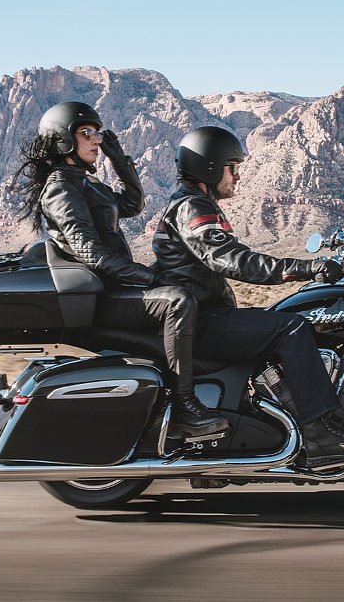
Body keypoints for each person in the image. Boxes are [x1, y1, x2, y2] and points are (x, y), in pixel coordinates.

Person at [152, 125, 344, 468]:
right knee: (291, 328)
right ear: (209, 167)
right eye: (231, 167)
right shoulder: (193, 207)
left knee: (285, 318)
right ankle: (319, 438)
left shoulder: (193, 203)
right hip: (199, 320)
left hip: (200, 315)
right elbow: (233, 260)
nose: (237, 175)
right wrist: (308, 269)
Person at [15, 102, 229, 437]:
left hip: (112, 285)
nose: (96, 139)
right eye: (86, 133)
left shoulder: (84, 182)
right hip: (102, 293)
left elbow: (132, 204)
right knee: (177, 300)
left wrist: (119, 161)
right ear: (63, 139)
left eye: (98, 133)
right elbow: (91, 253)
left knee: (188, 288)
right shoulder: (61, 187)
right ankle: (185, 406)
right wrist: (150, 277)